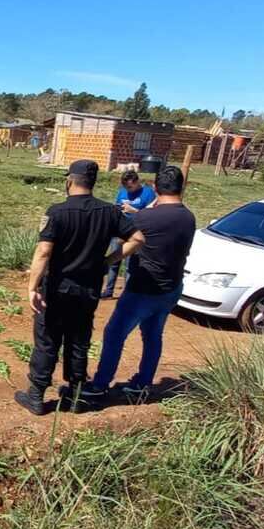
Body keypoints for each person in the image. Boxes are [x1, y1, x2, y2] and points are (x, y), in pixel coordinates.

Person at [15, 159, 142, 416]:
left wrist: (32, 287)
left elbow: (43, 252)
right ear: (92, 183)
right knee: (78, 341)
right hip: (88, 291)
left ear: (70, 181)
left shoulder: (57, 212)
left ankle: (37, 396)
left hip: (57, 290)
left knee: (48, 341)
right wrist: (108, 261)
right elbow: (137, 238)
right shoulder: (110, 212)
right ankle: (74, 397)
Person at [84, 165, 196, 402]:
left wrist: (107, 261)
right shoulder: (188, 217)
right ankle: (142, 383)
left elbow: (127, 241)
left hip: (143, 287)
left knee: (114, 333)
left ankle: (100, 385)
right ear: (181, 187)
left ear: (154, 187)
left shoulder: (145, 217)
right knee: (153, 336)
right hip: (171, 288)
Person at [101, 170, 156, 298]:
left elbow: (151, 215)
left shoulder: (148, 193)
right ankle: (108, 291)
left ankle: (127, 292)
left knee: (129, 265)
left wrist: (134, 211)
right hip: (119, 232)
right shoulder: (122, 192)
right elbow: (118, 205)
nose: (128, 190)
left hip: (135, 233)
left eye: (130, 186)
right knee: (113, 261)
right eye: (126, 187)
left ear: (137, 182)